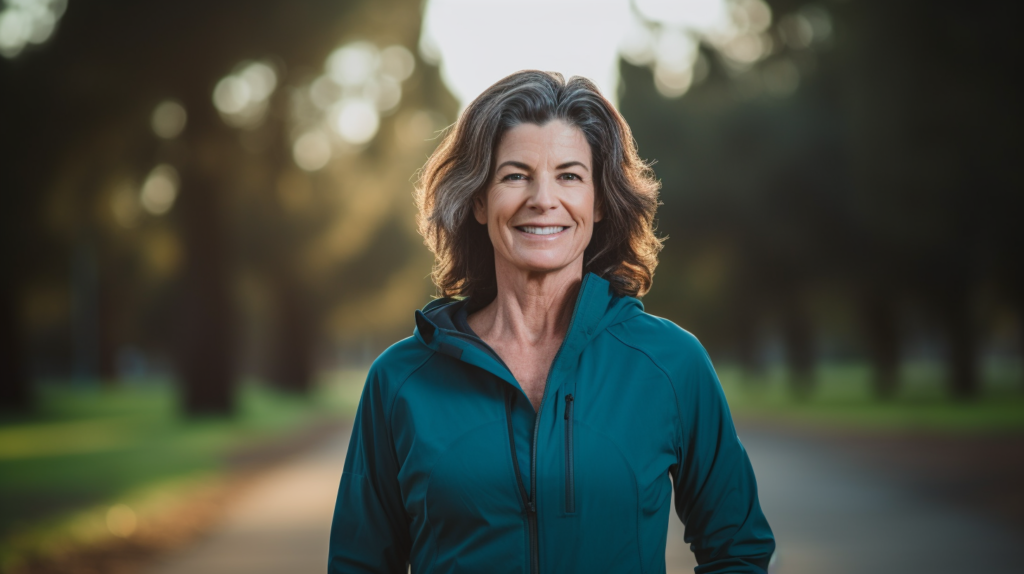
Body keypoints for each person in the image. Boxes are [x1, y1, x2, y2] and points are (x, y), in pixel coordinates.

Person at [328, 70, 775, 573]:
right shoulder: (400, 381)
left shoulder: (672, 365)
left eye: (569, 176)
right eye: (515, 175)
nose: (543, 199)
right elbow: (358, 564)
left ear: (599, 201)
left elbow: (737, 548)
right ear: (479, 200)